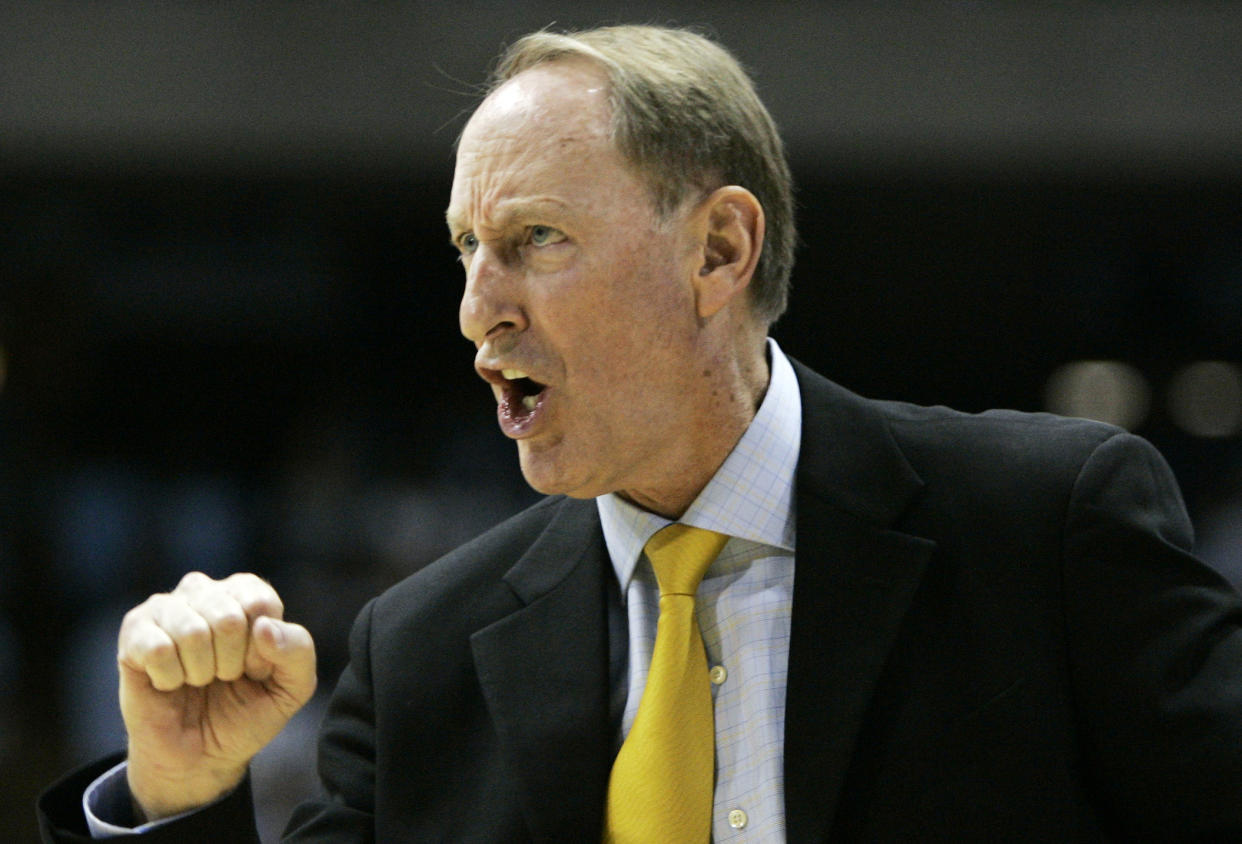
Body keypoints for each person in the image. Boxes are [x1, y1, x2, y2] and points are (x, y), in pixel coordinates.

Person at [38, 23, 1242, 843]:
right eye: (467, 249)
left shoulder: (1045, 526)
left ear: (719, 249)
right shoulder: (423, 655)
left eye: (537, 241)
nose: (476, 311)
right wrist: (181, 791)